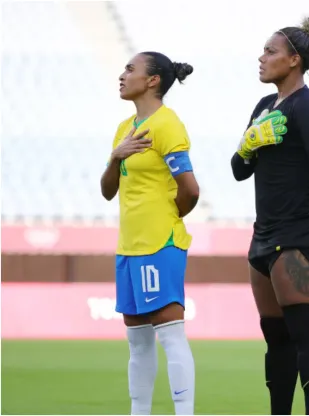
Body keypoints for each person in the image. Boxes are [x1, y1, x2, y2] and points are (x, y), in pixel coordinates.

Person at [230, 17, 309, 416]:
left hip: (299, 232)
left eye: (270, 51)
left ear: (294, 60)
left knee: (306, 332)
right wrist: (249, 145)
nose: (261, 58)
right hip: (264, 233)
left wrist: (306, 209)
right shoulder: (264, 106)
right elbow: (238, 169)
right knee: (275, 336)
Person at [100, 52, 200, 415]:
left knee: (170, 334)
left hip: (160, 244)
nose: (122, 75)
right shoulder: (125, 128)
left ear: (153, 80)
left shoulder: (167, 124)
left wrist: (167, 219)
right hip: (128, 247)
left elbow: (190, 189)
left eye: (130, 69)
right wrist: (116, 156)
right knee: (137, 341)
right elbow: (108, 191)